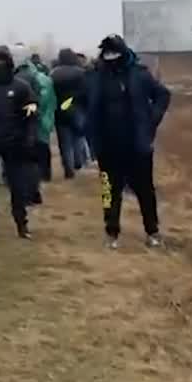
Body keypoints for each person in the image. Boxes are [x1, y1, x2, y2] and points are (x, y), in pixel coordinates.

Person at [83, 34, 171, 249]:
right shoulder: (95, 77)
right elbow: (76, 102)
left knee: (145, 190)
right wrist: (82, 123)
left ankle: (152, 231)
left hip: (137, 144)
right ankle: (111, 232)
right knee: (108, 190)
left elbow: (163, 95)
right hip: (107, 146)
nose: (111, 59)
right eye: (107, 55)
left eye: (115, 55)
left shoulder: (139, 74)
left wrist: (152, 120)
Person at [0, 46, 37, 239]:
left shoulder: (21, 87)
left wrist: (29, 137)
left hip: (15, 143)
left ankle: (22, 225)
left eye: (3, 63)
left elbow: (31, 113)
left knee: (17, 187)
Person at [11, 45, 54, 205]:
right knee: (32, 160)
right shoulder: (36, 76)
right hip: (34, 123)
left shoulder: (20, 79)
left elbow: (29, 102)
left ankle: (28, 195)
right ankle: (34, 193)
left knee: (24, 162)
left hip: (23, 124)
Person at [50, 48, 88, 179]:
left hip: (60, 110)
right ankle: (78, 161)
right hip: (77, 108)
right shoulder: (81, 73)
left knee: (64, 141)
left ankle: (68, 168)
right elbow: (86, 92)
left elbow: (51, 94)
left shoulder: (53, 74)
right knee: (78, 136)